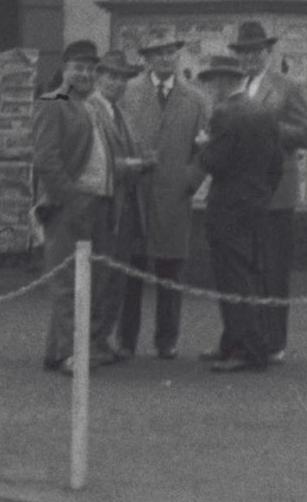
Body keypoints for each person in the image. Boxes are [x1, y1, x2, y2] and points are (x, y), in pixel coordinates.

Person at [115, 32, 209, 360]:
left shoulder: (196, 99)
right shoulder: (128, 93)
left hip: (174, 196)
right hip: (136, 194)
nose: (166, 58)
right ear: (147, 58)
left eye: (171, 52)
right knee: (131, 270)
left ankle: (167, 340)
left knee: (171, 272)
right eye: (159, 53)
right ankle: (125, 340)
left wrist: (190, 180)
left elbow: (204, 150)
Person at [31, 40, 121, 374]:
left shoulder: (91, 106)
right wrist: (69, 197)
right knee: (68, 281)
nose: (84, 74)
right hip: (71, 203)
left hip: (97, 202)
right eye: (77, 68)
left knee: (87, 279)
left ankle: (57, 351)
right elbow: (46, 159)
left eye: (89, 69)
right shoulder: (53, 103)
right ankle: (70, 353)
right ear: (64, 70)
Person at [229, 21, 307, 363]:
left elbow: (306, 133)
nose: (250, 59)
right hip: (241, 192)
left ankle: (274, 341)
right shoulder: (236, 90)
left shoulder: (286, 87)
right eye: (244, 53)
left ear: (268, 53)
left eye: (256, 52)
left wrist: (266, 128)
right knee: (246, 268)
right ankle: (248, 337)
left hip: (275, 191)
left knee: (274, 268)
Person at [194, 54, 283, 373]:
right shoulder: (264, 111)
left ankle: (246, 349)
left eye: (211, 81)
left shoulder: (224, 114)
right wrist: (260, 195)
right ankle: (237, 342)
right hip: (256, 205)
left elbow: (215, 162)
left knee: (232, 277)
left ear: (222, 81)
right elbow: (276, 165)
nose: (209, 87)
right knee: (249, 274)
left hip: (227, 207)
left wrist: (203, 144)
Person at [87, 50, 152, 361]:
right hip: (104, 207)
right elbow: (95, 161)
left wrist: (142, 160)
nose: (116, 83)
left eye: (122, 78)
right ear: (98, 77)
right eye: (111, 76)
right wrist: (133, 164)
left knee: (117, 278)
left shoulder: (121, 113)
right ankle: (88, 340)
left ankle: (103, 338)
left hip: (126, 206)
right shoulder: (90, 110)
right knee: (99, 277)